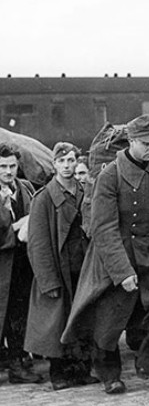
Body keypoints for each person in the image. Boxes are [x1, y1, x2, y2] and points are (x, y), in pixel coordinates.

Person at [61, 115, 149, 394]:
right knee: (111, 319)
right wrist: (122, 271)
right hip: (118, 251)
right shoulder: (109, 175)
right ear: (131, 142)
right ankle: (109, 372)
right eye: (146, 143)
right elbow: (103, 228)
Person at [24, 142, 97, 390]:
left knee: (83, 319)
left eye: (71, 160)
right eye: (61, 161)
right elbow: (38, 243)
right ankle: (60, 374)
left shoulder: (86, 192)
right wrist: (47, 280)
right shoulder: (44, 198)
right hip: (59, 267)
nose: (67, 166)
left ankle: (82, 369)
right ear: (54, 164)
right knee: (58, 322)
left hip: (84, 267)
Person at [0, 144, 43, 384]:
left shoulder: (25, 188)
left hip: (22, 263)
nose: (8, 171)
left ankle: (17, 365)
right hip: (1, 265)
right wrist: (14, 227)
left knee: (19, 314)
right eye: (3, 167)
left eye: (12, 166)